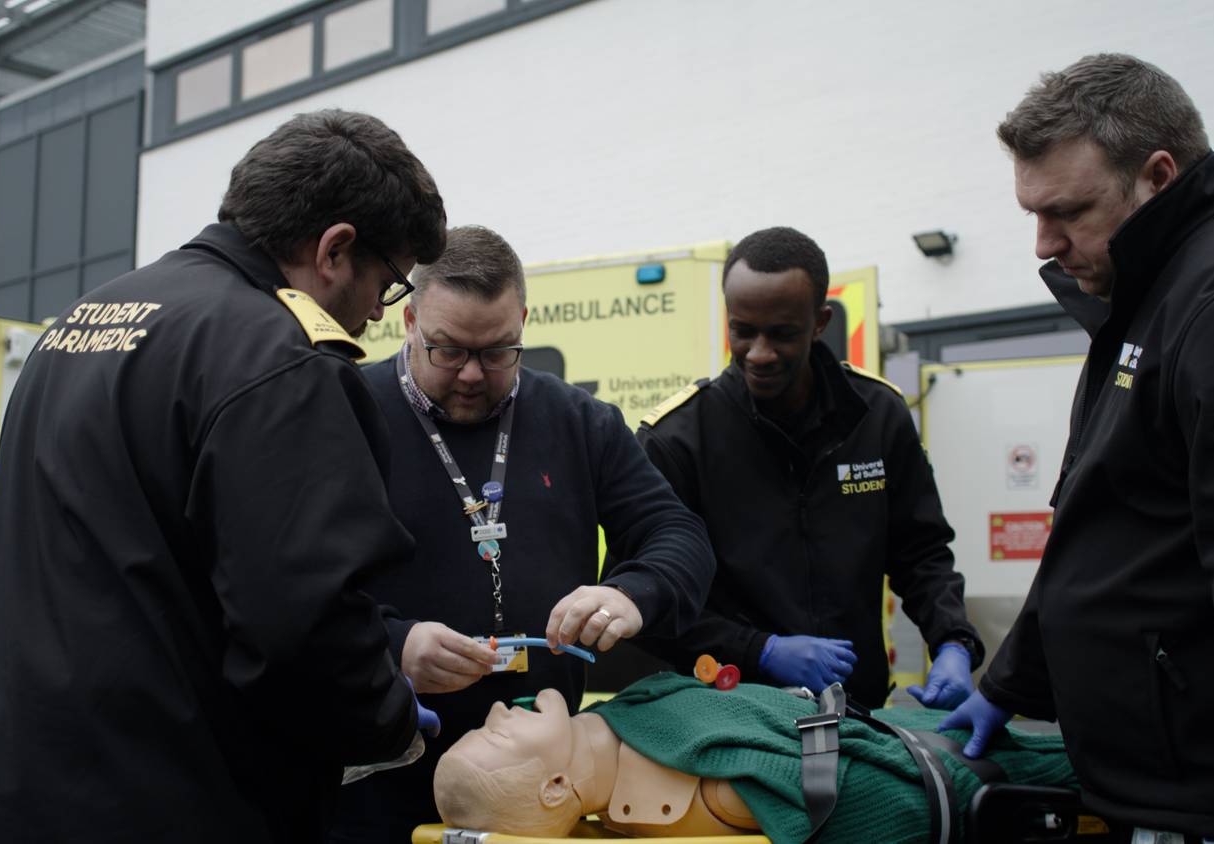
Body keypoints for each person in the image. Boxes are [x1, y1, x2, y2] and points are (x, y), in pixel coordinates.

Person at [0, 110, 447, 843]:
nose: (377, 316)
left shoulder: (82, 321)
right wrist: (388, 723)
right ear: (335, 249)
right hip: (147, 803)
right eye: (386, 285)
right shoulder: (280, 360)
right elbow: (299, 625)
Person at [939, 54, 1214, 843]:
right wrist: (1010, 683)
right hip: (1149, 789)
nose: (1043, 245)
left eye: (1069, 211)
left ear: (1157, 174)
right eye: (1032, 215)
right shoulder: (1151, 293)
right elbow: (1108, 528)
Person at [326, 225, 716, 841]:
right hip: (375, 779)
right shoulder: (341, 412)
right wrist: (393, 643)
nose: (474, 375)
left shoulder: (579, 421)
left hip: (537, 801)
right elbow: (286, 586)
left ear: (524, 321)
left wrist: (629, 594)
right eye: (448, 350)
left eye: (500, 351)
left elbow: (677, 534)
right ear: (408, 321)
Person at [635, 227, 982, 710]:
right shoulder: (677, 440)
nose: (759, 353)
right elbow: (646, 600)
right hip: (731, 714)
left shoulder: (877, 415)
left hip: (859, 713)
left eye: (781, 333)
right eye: (742, 330)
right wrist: (761, 650)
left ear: (819, 321)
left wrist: (952, 643)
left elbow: (921, 553)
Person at [432, 674, 1076, 842]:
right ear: (554, 790)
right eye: (493, 737)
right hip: (941, 755)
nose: (494, 713)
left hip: (898, 729)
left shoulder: (625, 723)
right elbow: (890, 804)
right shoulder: (708, 786)